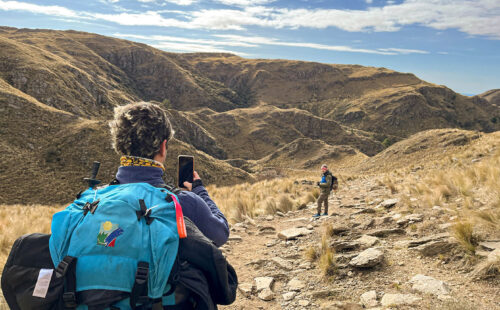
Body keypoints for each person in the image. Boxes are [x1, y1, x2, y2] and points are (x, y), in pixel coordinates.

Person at [110, 101, 229, 247]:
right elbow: (221, 233)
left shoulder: (90, 203)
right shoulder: (184, 204)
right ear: (163, 147)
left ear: (119, 145)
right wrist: (199, 191)